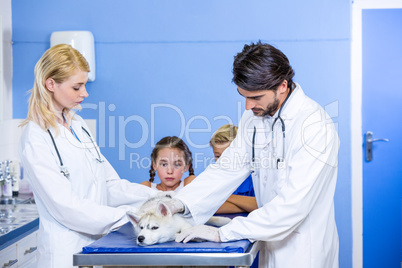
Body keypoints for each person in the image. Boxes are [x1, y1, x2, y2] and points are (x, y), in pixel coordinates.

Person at [166, 42, 340, 268]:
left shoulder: (315, 125)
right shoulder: (254, 117)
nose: (248, 106)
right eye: (243, 96)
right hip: (268, 242)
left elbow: (293, 205)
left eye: (256, 97)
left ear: (282, 86)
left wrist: (224, 233)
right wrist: (179, 203)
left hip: (304, 251)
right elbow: (227, 167)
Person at [18, 44, 158, 268]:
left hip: (93, 249)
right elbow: (67, 207)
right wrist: (129, 215)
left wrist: (156, 196)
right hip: (63, 254)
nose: (85, 93)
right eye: (77, 87)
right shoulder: (35, 138)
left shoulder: (78, 124)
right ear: (50, 84)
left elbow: (109, 185)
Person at [210, 124, 257, 214]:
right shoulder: (212, 178)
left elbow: (260, 205)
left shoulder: (253, 181)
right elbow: (208, 207)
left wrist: (224, 196)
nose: (222, 161)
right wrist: (246, 205)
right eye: (217, 156)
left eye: (227, 156)